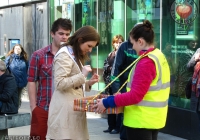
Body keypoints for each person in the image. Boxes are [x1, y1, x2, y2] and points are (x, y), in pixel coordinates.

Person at [93, 20, 170, 140]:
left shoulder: (146, 62)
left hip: (140, 121)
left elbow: (135, 96)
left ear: (140, 41)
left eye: (133, 43)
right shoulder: (158, 55)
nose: (132, 47)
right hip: (153, 119)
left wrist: (107, 102)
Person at [46, 25, 100, 139]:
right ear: (80, 40)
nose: (90, 50)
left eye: (92, 47)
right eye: (89, 46)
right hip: (64, 114)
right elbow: (60, 83)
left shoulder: (73, 54)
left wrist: (88, 83)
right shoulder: (64, 55)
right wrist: (82, 75)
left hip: (73, 112)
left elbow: (73, 85)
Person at [27, 18, 72, 140]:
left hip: (64, 109)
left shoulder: (72, 56)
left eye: (67, 34)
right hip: (43, 107)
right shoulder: (39, 55)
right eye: (61, 33)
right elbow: (31, 80)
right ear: (52, 34)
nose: (64, 37)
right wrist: (33, 107)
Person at [110, 36, 138, 139]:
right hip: (124, 86)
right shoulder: (124, 46)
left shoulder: (149, 53)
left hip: (137, 88)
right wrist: (116, 91)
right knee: (124, 116)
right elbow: (115, 71)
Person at [102, 34, 124, 134]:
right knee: (110, 105)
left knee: (119, 105)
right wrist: (109, 69)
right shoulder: (110, 54)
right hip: (109, 84)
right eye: (116, 42)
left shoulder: (123, 54)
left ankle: (118, 127)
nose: (118, 44)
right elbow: (105, 66)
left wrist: (112, 70)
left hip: (118, 84)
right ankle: (111, 126)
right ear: (113, 44)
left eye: (120, 42)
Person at [5, 44, 28, 108]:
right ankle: (12, 110)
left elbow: (28, 69)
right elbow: (5, 69)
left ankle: (16, 110)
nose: (17, 50)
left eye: (19, 49)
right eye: (16, 48)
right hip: (12, 82)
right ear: (13, 50)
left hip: (22, 82)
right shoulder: (10, 58)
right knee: (11, 96)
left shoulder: (24, 59)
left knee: (18, 97)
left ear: (21, 50)